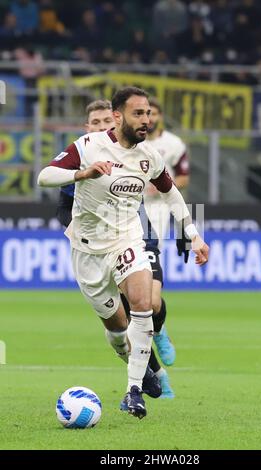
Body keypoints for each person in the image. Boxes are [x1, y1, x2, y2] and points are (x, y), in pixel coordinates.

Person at [38, 86, 209, 419]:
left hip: (128, 238)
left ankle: (133, 392)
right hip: (88, 251)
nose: (146, 120)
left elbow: (171, 192)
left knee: (144, 303)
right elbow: (45, 175)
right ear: (118, 117)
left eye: (148, 113)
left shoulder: (150, 156)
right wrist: (80, 173)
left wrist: (194, 236)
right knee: (118, 330)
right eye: (138, 114)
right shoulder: (87, 147)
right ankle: (139, 366)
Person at [56, 98, 176, 400]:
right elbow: (63, 207)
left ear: (116, 120)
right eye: (94, 124)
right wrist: (78, 232)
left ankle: (158, 336)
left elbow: (165, 186)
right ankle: (151, 374)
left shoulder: (136, 152)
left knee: (150, 302)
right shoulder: (85, 154)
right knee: (123, 319)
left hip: (135, 232)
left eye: (105, 122)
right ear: (87, 128)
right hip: (94, 244)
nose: (101, 128)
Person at [143, 96, 190, 379]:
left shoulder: (173, 144)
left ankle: (158, 330)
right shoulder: (129, 142)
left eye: (153, 113)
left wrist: (160, 187)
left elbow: (183, 177)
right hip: (125, 212)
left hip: (158, 211)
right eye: (145, 112)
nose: (149, 118)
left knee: (150, 295)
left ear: (160, 116)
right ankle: (150, 374)